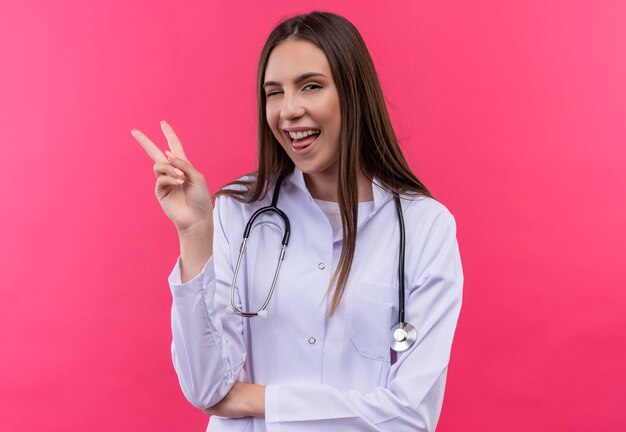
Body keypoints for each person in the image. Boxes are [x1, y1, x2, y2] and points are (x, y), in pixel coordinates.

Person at [133, 11, 462, 432]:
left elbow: (411, 416)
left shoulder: (425, 229)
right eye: (274, 93)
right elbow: (206, 389)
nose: (288, 111)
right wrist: (195, 233)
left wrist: (257, 399)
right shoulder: (238, 212)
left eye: (310, 86)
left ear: (353, 93)